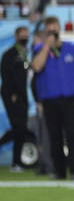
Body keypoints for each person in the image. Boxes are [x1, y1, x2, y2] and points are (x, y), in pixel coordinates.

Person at [29, 16, 74, 181]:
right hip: (50, 100)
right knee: (54, 138)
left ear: (59, 28)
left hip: (70, 100)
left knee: (72, 137)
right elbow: (37, 66)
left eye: (54, 25)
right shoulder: (39, 49)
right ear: (45, 30)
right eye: (49, 26)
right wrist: (47, 46)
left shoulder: (72, 49)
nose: (52, 28)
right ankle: (59, 172)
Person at [0, 26, 32, 170]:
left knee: (21, 129)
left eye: (27, 34)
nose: (25, 37)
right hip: (12, 95)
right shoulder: (9, 54)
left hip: (23, 95)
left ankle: (16, 163)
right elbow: (5, 74)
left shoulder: (25, 53)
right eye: (23, 34)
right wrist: (12, 93)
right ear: (16, 36)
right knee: (18, 128)